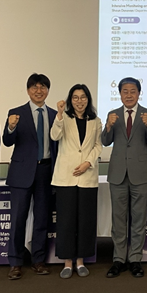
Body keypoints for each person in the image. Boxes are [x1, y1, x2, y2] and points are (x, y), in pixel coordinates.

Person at [102, 77, 147, 278]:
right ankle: (118, 259)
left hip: (140, 173)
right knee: (118, 219)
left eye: (132, 91)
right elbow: (105, 141)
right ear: (119, 94)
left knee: (139, 219)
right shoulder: (113, 114)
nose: (129, 95)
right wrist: (108, 127)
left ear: (139, 93)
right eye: (125, 91)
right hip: (117, 174)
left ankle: (135, 259)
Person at [3, 73, 58, 280]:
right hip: (21, 173)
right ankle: (15, 262)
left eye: (43, 87)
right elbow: (7, 141)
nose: (39, 91)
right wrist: (11, 127)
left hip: (46, 171)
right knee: (18, 219)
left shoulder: (54, 115)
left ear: (48, 91)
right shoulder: (16, 113)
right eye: (34, 87)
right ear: (28, 90)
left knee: (42, 218)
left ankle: (38, 260)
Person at [50, 84, 102, 278]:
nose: (79, 101)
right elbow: (54, 135)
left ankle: (80, 261)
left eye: (83, 97)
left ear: (88, 99)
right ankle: (67, 262)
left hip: (87, 177)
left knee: (85, 221)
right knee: (66, 221)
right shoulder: (64, 118)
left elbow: (98, 145)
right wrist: (59, 114)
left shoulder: (95, 121)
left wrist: (88, 163)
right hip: (66, 177)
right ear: (70, 100)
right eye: (75, 97)